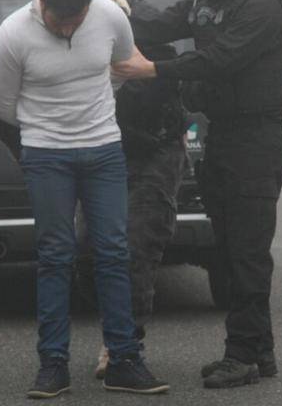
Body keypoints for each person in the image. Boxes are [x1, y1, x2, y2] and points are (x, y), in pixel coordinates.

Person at [112, 0, 282, 390]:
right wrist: (118, 8)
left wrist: (153, 70)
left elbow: (221, 60)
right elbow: (157, 25)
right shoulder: (201, 1)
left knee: (249, 252)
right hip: (222, 139)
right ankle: (260, 350)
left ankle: (241, 355)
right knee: (231, 249)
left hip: (257, 140)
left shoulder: (260, 5)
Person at [0, 0, 169, 398]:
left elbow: (123, 65)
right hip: (47, 155)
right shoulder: (13, 34)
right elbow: (1, 104)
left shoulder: (108, 15)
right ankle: (53, 365)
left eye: (77, 19)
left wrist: (93, 109)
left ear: (90, 5)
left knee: (113, 251)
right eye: (59, 20)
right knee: (55, 255)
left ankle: (124, 359)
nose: (68, 27)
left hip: (104, 151)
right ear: (42, 3)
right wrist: (45, 127)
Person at [82, 38, 188, 380]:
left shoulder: (147, 38)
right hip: (94, 148)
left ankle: (123, 345)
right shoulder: (62, 40)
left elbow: (178, 79)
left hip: (153, 149)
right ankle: (117, 335)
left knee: (138, 243)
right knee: (87, 247)